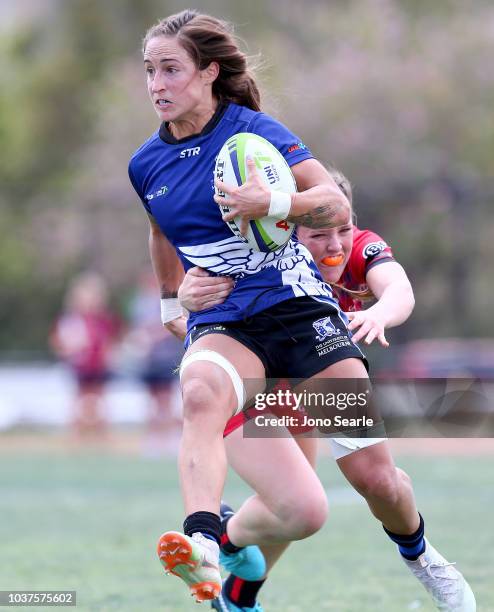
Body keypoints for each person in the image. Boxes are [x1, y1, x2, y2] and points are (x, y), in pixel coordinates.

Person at [129, 8, 369, 603]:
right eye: (149, 71)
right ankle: (203, 542)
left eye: (171, 70)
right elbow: (161, 231)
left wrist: (273, 201)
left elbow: (334, 206)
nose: (157, 84)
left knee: (307, 510)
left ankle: (237, 560)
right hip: (225, 332)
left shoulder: (255, 131)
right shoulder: (145, 164)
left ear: (210, 72)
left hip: (298, 323)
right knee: (201, 393)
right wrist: (171, 299)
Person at [179, 169, 476, 612]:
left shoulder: (358, 246)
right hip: (256, 390)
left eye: (344, 228)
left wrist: (380, 315)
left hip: (316, 376)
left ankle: (235, 569)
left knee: (360, 486)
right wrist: (183, 294)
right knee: (301, 507)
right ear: (284, 229)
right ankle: (231, 564)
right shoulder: (255, 255)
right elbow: (185, 289)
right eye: (319, 235)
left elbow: (398, 289)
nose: (336, 245)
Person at [50, 271, 120, 440]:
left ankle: (102, 434)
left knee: (100, 399)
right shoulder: (70, 319)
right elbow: (58, 341)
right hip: (80, 366)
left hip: (99, 365)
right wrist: (68, 351)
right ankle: (77, 434)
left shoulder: (104, 319)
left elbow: (112, 340)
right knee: (79, 399)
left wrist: (110, 355)